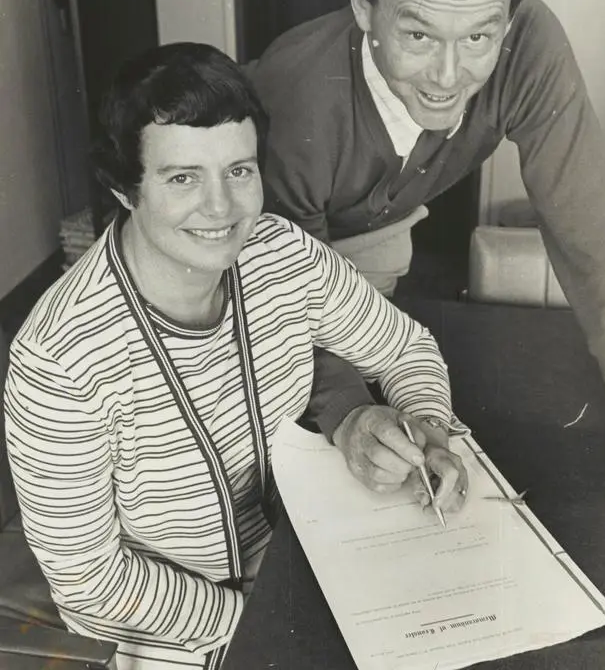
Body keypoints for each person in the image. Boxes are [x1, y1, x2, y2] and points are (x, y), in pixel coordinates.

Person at [4, 43, 469, 670]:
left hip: (320, 569)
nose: (221, 209)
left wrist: (428, 428)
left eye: (239, 171)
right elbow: (90, 584)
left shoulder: (282, 253)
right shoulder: (59, 359)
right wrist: (264, 620)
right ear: (124, 189)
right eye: (182, 178)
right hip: (183, 634)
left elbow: (404, 348)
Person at [249, 0, 605, 425]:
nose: (448, 79)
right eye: (418, 36)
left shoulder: (528, 43)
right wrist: (351, 416)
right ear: (362, 3)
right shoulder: (295, 97)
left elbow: (598, 241)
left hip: (368, 240)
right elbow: (287, 298)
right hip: (255, 246)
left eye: (478, 38)